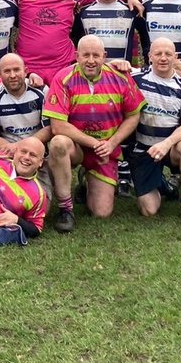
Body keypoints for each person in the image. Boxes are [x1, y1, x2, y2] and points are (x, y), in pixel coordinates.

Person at [43, 35, 143, 231]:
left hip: (105, 150)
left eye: (96, 55)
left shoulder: (120, 77)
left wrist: (112, 143)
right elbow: (57, 126)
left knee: (101, 212)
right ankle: (65, 209)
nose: (91, 60)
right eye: (85, 55)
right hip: (76, 147)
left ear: (104, 56)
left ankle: (85, 182)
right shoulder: (63, 78)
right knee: (58, 143)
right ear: (76, 56)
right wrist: (93, 142)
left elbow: (133, 116)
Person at [129, 38, 181, 222]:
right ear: (149, 56)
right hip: (143, 149)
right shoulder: (135, 78)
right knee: (149, 210)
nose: (163, 58)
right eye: (158, 54)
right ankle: (161, 183)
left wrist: (166, 144)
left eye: (168, 54)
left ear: (175, 57)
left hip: (170, 148)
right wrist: (116, 63)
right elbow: (105, 70)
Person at [0, 53, 50, 151]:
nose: (12, 75)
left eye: (16, 70)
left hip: (35, 150)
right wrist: (18, 150)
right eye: (7, 71)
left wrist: (24, 148)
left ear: (25, 71)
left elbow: (50, 128)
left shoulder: (42, 91)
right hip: (7, 152)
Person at [73, 0, 142, 62]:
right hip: (92, 68)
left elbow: (145, 38)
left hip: (121, 69)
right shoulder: (82, 12)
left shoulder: (131, 10)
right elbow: (75, 40)